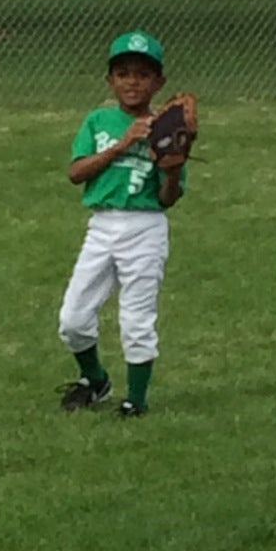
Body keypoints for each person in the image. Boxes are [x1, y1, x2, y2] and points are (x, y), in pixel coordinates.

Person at [58, 29, 187, 417]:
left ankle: (136, 400)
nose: (133, 82)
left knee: (136, 318)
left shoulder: (166, 126)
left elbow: (168, 199)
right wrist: (122, 144)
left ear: (158, 83)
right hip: (101, 226)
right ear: (110, 80)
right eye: (124, 73)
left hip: (145, 227)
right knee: (73, 319)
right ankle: (95, 379)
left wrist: (171, 171)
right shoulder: (98, 121)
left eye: (143, 74)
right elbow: (76, 173)